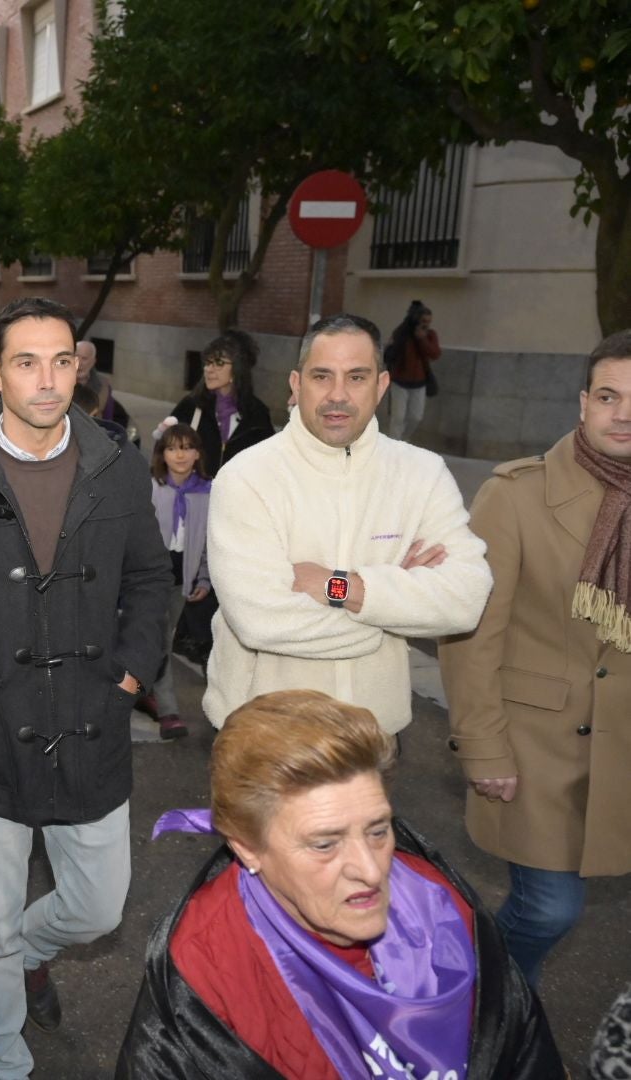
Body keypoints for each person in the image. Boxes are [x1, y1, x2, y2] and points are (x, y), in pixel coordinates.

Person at [0, 297, 172, 1080]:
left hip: (94, 726)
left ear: (78, 366)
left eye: (62, 360)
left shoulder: (117, 465)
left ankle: (28, 949)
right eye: (26, 362)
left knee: (99, 907)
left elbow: (152, 579)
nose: (48, 379)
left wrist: (131, 672)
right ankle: (3, 1060)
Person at [118, 689, 563, 1079]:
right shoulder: (207, 964)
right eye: (325, 845)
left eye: (378, 830)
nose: (371, 871)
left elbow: (521, 1048)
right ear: (247, 847)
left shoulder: (438, 902)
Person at [438, 329, 631, 986]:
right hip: (537, 745)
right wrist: (482, 746)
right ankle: (483, 1000)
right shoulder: (518, 494)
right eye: (609, 396)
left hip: (623, 750)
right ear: (583, 403)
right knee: (550, 909)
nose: (623, 413)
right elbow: (472, 633)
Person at [203, 314, 493, 739]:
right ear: (297, 385)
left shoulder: (422, 473)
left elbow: (465, 600)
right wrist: (391, 616)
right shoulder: (247, 476)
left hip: (374, 735)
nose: (337, 395)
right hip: (264, 735)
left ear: (381, 385)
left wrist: (342, 587)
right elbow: (258, 619)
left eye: (357, 377)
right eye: (322, 376)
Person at [145, 423, 212, 741]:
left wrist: (204, 577)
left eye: (187, 447)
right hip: (148, 578)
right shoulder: (153, 487)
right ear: (162, 453)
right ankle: (168, 709)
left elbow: (210, 541)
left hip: (180, 581)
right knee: (157, 640)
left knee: (161, 640)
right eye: (172, 448)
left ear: (197, 453)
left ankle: (147, 693)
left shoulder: (208, 492)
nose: (180, 454)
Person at [164, 332, 274, 477]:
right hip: (194, 495)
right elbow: (164, 450)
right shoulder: (191, 406)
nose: (209, 369)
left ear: (237, 369)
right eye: (208, 363)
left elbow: (267, 466)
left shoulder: (257, 414)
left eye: (219, 363)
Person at [384, 300, 441, 443]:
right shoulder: (402, 333)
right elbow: (389, 353)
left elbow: (435, 354)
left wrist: (422, 339)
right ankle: (394, 446)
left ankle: (404, 440)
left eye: (429, 321)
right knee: (398, 417)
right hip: (399, 381)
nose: (426, 324)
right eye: (423, 320)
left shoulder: (430, 335)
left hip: (419, 383)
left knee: (416, 417)